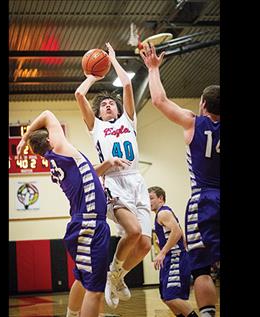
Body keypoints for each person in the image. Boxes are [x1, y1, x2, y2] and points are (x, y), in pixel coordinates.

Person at [16, 110, 130, 317]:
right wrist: (25, 137)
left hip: (83, 223)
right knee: (95, 290)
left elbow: (89, 173)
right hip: (90, 225)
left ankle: (71, 314)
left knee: (81, 278)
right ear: (51, 140)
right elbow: (48, 115)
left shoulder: (60, 161)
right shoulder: (61, 149)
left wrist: (108, 163)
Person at [141, 43, 220, 317]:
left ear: (203, 104)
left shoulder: (193, 122)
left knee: (201, 268)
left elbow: (159, 101)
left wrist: (153, 69)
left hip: (204, 199)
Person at [74, 42, 152, 308]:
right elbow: (79, 95)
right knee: (133, 230)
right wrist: (92, 77)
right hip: (113, 183)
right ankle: (112, 273)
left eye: (111, 103)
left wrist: (114, 60)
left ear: (119, 110)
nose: (107, 105)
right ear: (99, 112)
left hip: (136, 181)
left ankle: (118, 276)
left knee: (144, 244)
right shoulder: (95, 128)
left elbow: (128, 86)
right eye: (104, 104)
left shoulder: (128, 120)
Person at [149, 186, 199, 317]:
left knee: (172, 296)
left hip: (175, 257)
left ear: (161, 198)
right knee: (166, 297)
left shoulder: (163, 213)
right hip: (171, 258)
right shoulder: (161, 214)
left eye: (151, 198)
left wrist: (162, 252)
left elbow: (176, 231)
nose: (148, 201)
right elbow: (180, 232)